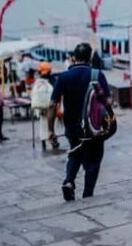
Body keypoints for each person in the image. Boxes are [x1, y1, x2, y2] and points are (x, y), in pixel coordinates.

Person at [47, 43, 111, 201]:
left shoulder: (63, 77)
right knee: (93, 160)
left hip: (72, 127)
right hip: (94, 126)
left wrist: (50, 130)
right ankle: (87, 194)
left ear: (73, 58)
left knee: (75, 153)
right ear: (90, 57)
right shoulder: (97, 74)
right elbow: (108, 101)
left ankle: (69, 181)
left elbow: (52, 104)